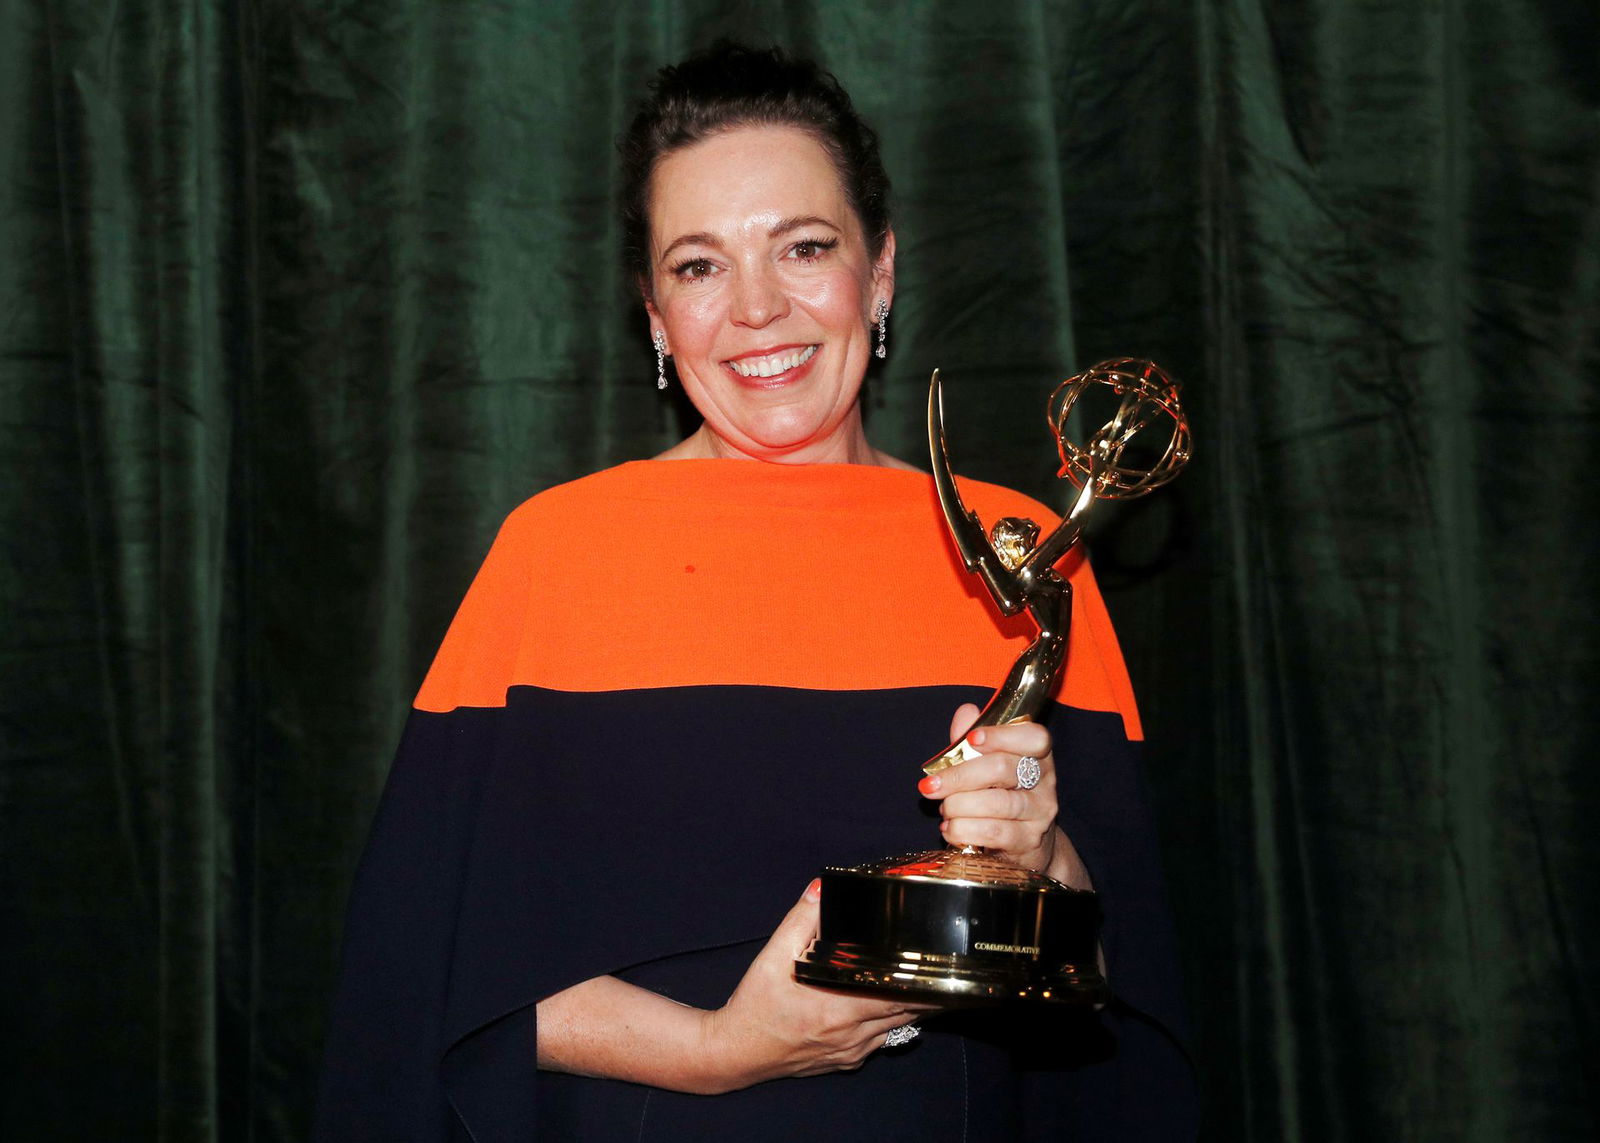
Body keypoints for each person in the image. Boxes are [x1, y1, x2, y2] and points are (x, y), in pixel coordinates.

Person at [313, 42, 1196, 1142]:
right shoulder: (556, 552)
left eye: (803, 247)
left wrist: (1040, 853)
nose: (757, 308)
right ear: (652, 313)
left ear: (880, 270)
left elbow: (1126, 991)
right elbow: (419, 980)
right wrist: (717, 1051)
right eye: (699, 267)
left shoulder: (1026, 553)